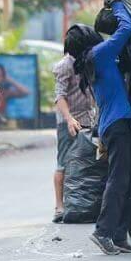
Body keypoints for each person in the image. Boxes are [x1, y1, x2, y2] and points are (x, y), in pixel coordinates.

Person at [64, 2, 131, 256]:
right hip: (116, 124)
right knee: (118, 181)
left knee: (127, 182)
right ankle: (103, 232)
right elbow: (126, 28)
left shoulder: (91, 60)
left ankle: (118, 235)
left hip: (112, 123)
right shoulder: (99, 54)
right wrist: (118, 3)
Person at [52, 52, 97, 223]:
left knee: (86, 163)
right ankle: (59, 207)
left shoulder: (86, 62)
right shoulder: (64, 65)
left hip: (87, 120)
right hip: (68, 123)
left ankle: (84, 205)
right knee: (63, 163)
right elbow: (60, 96)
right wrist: (70, 119)